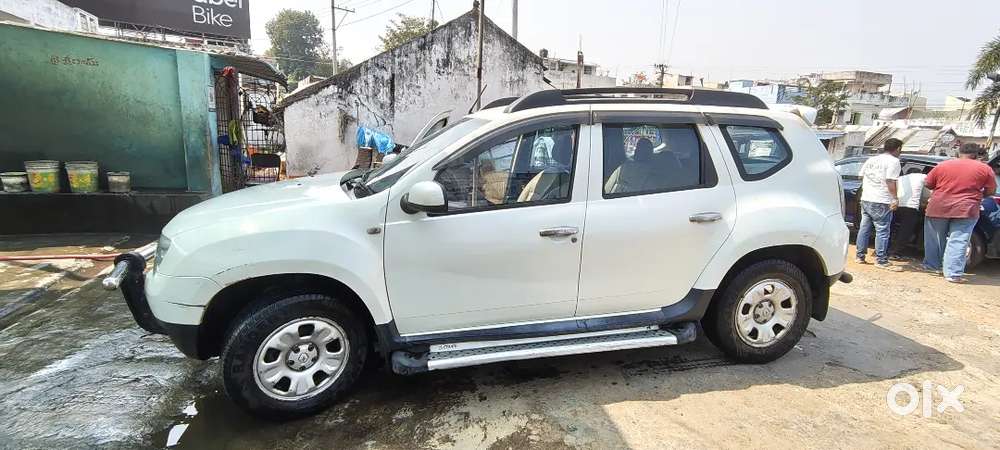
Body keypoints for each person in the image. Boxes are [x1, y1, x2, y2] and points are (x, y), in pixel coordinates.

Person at [922, 143, 997, 282]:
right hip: (966, 209)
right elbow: (991, 190)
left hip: (939, 206)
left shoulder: (943, 165)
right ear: (976, 154)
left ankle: (932, 266)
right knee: (959, 240)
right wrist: (980, 195)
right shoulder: (984, 169)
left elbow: (927, 183)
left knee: (935, 239)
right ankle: (952, 274)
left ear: (958, 152)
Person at [855, 138, 903, 270]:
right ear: (898, 149)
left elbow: (861, 176)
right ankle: (881, 259)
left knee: (864, 228)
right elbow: (890, 181)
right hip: (882, 200)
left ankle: (860, 256)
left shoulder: (872, 159)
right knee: (882, 230)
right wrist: (895, 198)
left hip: (866, 198)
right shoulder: (894, 161)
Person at [888, 167, 929, 260]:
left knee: (892, 228)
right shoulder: (923, 177)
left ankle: (887, 249)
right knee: (905, 231)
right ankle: (896, 253)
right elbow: (927, 195)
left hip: (897, 205)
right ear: (920, 172)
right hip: (911, 207)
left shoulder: (901, 178)